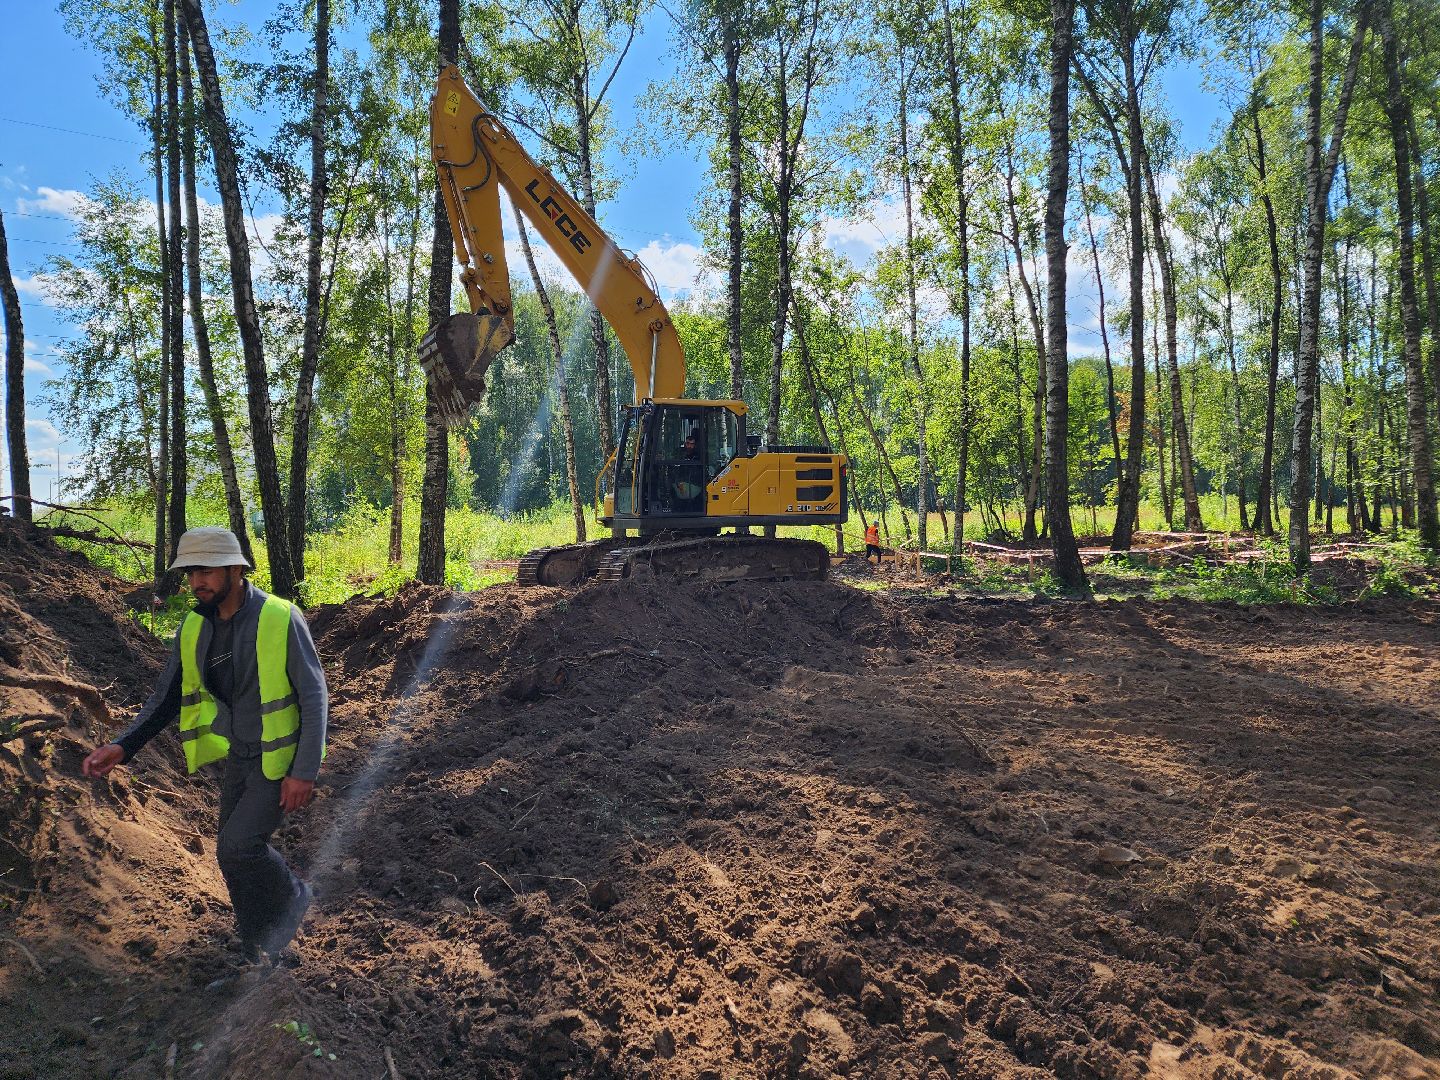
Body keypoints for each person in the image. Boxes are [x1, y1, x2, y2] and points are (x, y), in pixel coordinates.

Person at [82, 526, 327, 964]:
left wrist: (304, 771)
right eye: (191, 571)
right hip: (240, 757)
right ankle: (257, 947)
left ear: (235, 568)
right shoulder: (194, 626)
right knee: (228, 855)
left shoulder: (279, 617)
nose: (197, 581)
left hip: (280, 760)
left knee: (239, 847)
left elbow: (314, 697)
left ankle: (295, 897)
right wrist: (123, 746)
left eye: (207, 570)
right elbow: (168, 695)